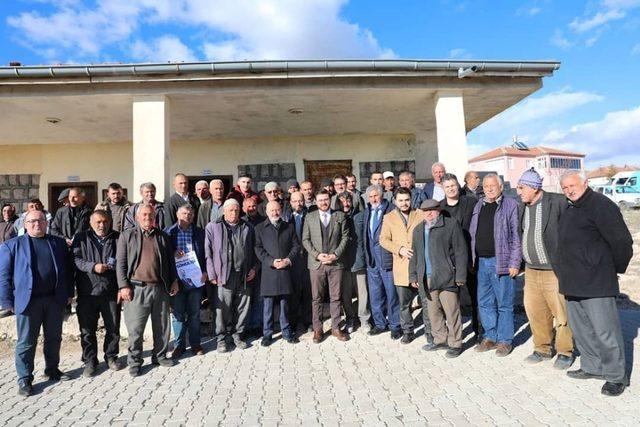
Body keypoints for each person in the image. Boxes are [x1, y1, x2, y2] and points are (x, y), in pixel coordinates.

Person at [557, 170, 633, 397]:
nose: (569, 190)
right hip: (572, 281)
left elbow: (622, 243)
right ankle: (592, 367)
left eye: (573, 185)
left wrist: (611, 269)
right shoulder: (569, 207)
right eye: (565, 188)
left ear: (585, 182)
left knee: (605, 332)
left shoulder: (602, 205)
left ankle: (615, 377)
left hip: (597, 281)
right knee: (582, 330)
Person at [0, 210, 74, 396]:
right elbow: (3, 276)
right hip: (27, 302)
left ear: (46, 223)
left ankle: (52, 369)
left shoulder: (57, 243)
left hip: (53, 300)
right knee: (26, 342)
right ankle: (24, 378)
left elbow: (66, 271)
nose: (37, 224)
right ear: (25, 224)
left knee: (53, 337)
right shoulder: (12, 245)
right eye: (32, 221)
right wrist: (7, 301)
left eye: (41, 220)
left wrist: (68, 293)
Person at [516, 168, 574, 370]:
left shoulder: (557, 202)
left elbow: (572, 231)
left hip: (553, 271)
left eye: (521, 187)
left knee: (561, 313)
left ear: (533, 187)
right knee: (535, 312)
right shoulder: (522, 206)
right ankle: (542, 348)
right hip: (531, 271)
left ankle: (565, 351)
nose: (518, 191)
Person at [116, 205, 179, 377]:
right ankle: (135, 361)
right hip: (136, 289)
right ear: (137, 217)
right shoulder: (127, 236)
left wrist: (174, 281)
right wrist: (123, 286)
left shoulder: (162, 236)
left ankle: (159, 356)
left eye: (151, 215)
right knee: (135, 328)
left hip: (160, 288)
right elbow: (120, 264)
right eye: (144, 215)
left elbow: (170, 262)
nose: (147, 218)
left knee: (162, 327)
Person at [470, 174, 521, 357]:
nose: (489, 189)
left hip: (502, 262)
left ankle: (505, 340)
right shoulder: (479, 205)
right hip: (482, 262)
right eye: (486, 186)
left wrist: (515, 262)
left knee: (504, 303)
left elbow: (516, 236)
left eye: (493, 185)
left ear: (500, 187)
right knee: (484, 302)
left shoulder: (510, 205)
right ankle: (490, 336)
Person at [409, 199, 468, 358]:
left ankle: (455, 343)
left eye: (432, 210)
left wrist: (460, 275)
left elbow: (460, 251)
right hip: (426, 277)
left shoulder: (450, 225)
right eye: (425, 211)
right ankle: (440, 339)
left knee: (452, 311)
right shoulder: (418, 230)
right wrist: (413, 275)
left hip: (447, 276)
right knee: (433, 312)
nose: (429, 213)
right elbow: (415, 255)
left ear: (439, 210)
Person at [72, 210, 122, 377]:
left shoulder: (117, 237)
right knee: (87, 330)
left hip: (111, 291)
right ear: (91, 223)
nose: (102, 225)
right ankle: (90, 361)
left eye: (105, 222)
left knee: (113, 328)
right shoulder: (81, 238)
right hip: (88, 292)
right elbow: (76, 260)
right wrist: (93, 266)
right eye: (98, 222)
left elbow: (123, 261)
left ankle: (111, 357)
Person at [205, 199, 257, 353]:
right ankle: (221, 338)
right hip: (223, 275)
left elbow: (255, 249)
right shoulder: (213, 226)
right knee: (223, 309)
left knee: (243, 306)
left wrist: (254, 268)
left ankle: (238, 335)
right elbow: (208, 252)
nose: (234, 213)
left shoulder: (248, 226)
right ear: (224, 211)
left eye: (236, 210)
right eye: (230, 210)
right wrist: (211, 273)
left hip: (244, 274)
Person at [302, 190, 350, 343]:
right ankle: (318, 329)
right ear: (316, 202)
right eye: (320, 200)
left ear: (330, 200)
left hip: (335, 263)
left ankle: (336, 328)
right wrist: (317, 255)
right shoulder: (310, 217)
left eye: (326, 199)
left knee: (336, 297)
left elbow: (345, 237)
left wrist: (335, 255)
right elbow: (305, 240)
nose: (323, 202)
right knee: (317, 298)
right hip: (317, 264)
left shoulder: (340, 216)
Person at [379, 187, 426, 344]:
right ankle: (408, 331)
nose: (404, 203)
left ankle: (430, 330)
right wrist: (399, 249)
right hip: (401, 265)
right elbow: (383, 240)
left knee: (426, 300)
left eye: (406, 200)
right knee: (404, 303)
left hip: (420, 265)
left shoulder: (420, 214)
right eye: (401, 200)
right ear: (395, 201)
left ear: (411, 199)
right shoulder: (389, 217)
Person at [439, 173, 481, 340]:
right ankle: (453, 333)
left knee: (475, 295)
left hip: (469, 256)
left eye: (453, 185)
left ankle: (479, 330)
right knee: (450, 300)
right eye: (447, 186)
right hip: (448, 260)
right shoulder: (440, 208)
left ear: (458, 186)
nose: (451, 189)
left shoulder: (471, 202)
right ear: (443, 189)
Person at [254, 201, 301, 346]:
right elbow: (258, 248)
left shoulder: (289, 227)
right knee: (267, 304)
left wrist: (288, 260)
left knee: (284, 303)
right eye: (272, 210)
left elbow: (296, 246)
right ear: (267, 212)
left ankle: (286, 332)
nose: (275, 213)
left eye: (277, 210)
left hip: (285, 270)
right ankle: (267, 334)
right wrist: (271, 261)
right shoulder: (259, 228)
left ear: (281, 210)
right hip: (269, 270)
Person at [165, 204, 208, 359]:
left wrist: (205, 272)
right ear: (177, 214)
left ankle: (195, 344)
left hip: (195, 279)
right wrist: (173, 253)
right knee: (178, 315)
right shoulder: (169, 233)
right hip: (177, 280)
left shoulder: (199, 232)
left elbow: (206, 254)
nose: (187, 216)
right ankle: (179, 345)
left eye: (190, 214)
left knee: (194, 314)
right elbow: (163, 258)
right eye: (184, 213)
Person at [363, 184, 400, 339]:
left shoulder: (391, 209)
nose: (373, 199)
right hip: (372, 260)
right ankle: (379, 324)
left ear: (382, 195)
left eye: (375, 196)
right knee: (375, 294)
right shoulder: (367, 211)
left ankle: (395, 325)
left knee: (391, 294)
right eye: (370, 197)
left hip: (387, 258)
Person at [287, 191, 312, 333]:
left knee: (308, 292)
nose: (298, 204)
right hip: (293, 260)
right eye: (295, 201)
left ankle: (308, 321)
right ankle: (294, 323)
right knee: (294, 293)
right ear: (291, 203)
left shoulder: (310, 215)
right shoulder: (286, 218)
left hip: (308, 259)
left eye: (300, 201)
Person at [334, 192, 359, 333]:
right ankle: (350, 318)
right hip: (341, 262)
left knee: (362, 292)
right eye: (342, 201)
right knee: (345, 294)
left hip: (357, 260)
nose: (345, 203)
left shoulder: (359, 215)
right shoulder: (335, 217)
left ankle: (363, 317)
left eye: (348, 200)